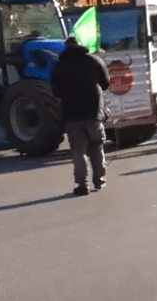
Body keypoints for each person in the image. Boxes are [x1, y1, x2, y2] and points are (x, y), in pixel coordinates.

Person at [51, 36, 110, 196]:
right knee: (96, 145)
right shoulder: (94, 61)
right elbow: (105, 84)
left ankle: (82, 185)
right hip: (93, 112)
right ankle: (99, 181)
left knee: (78, 149)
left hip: (71, 114)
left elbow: (55, 91)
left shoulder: (59, 65)